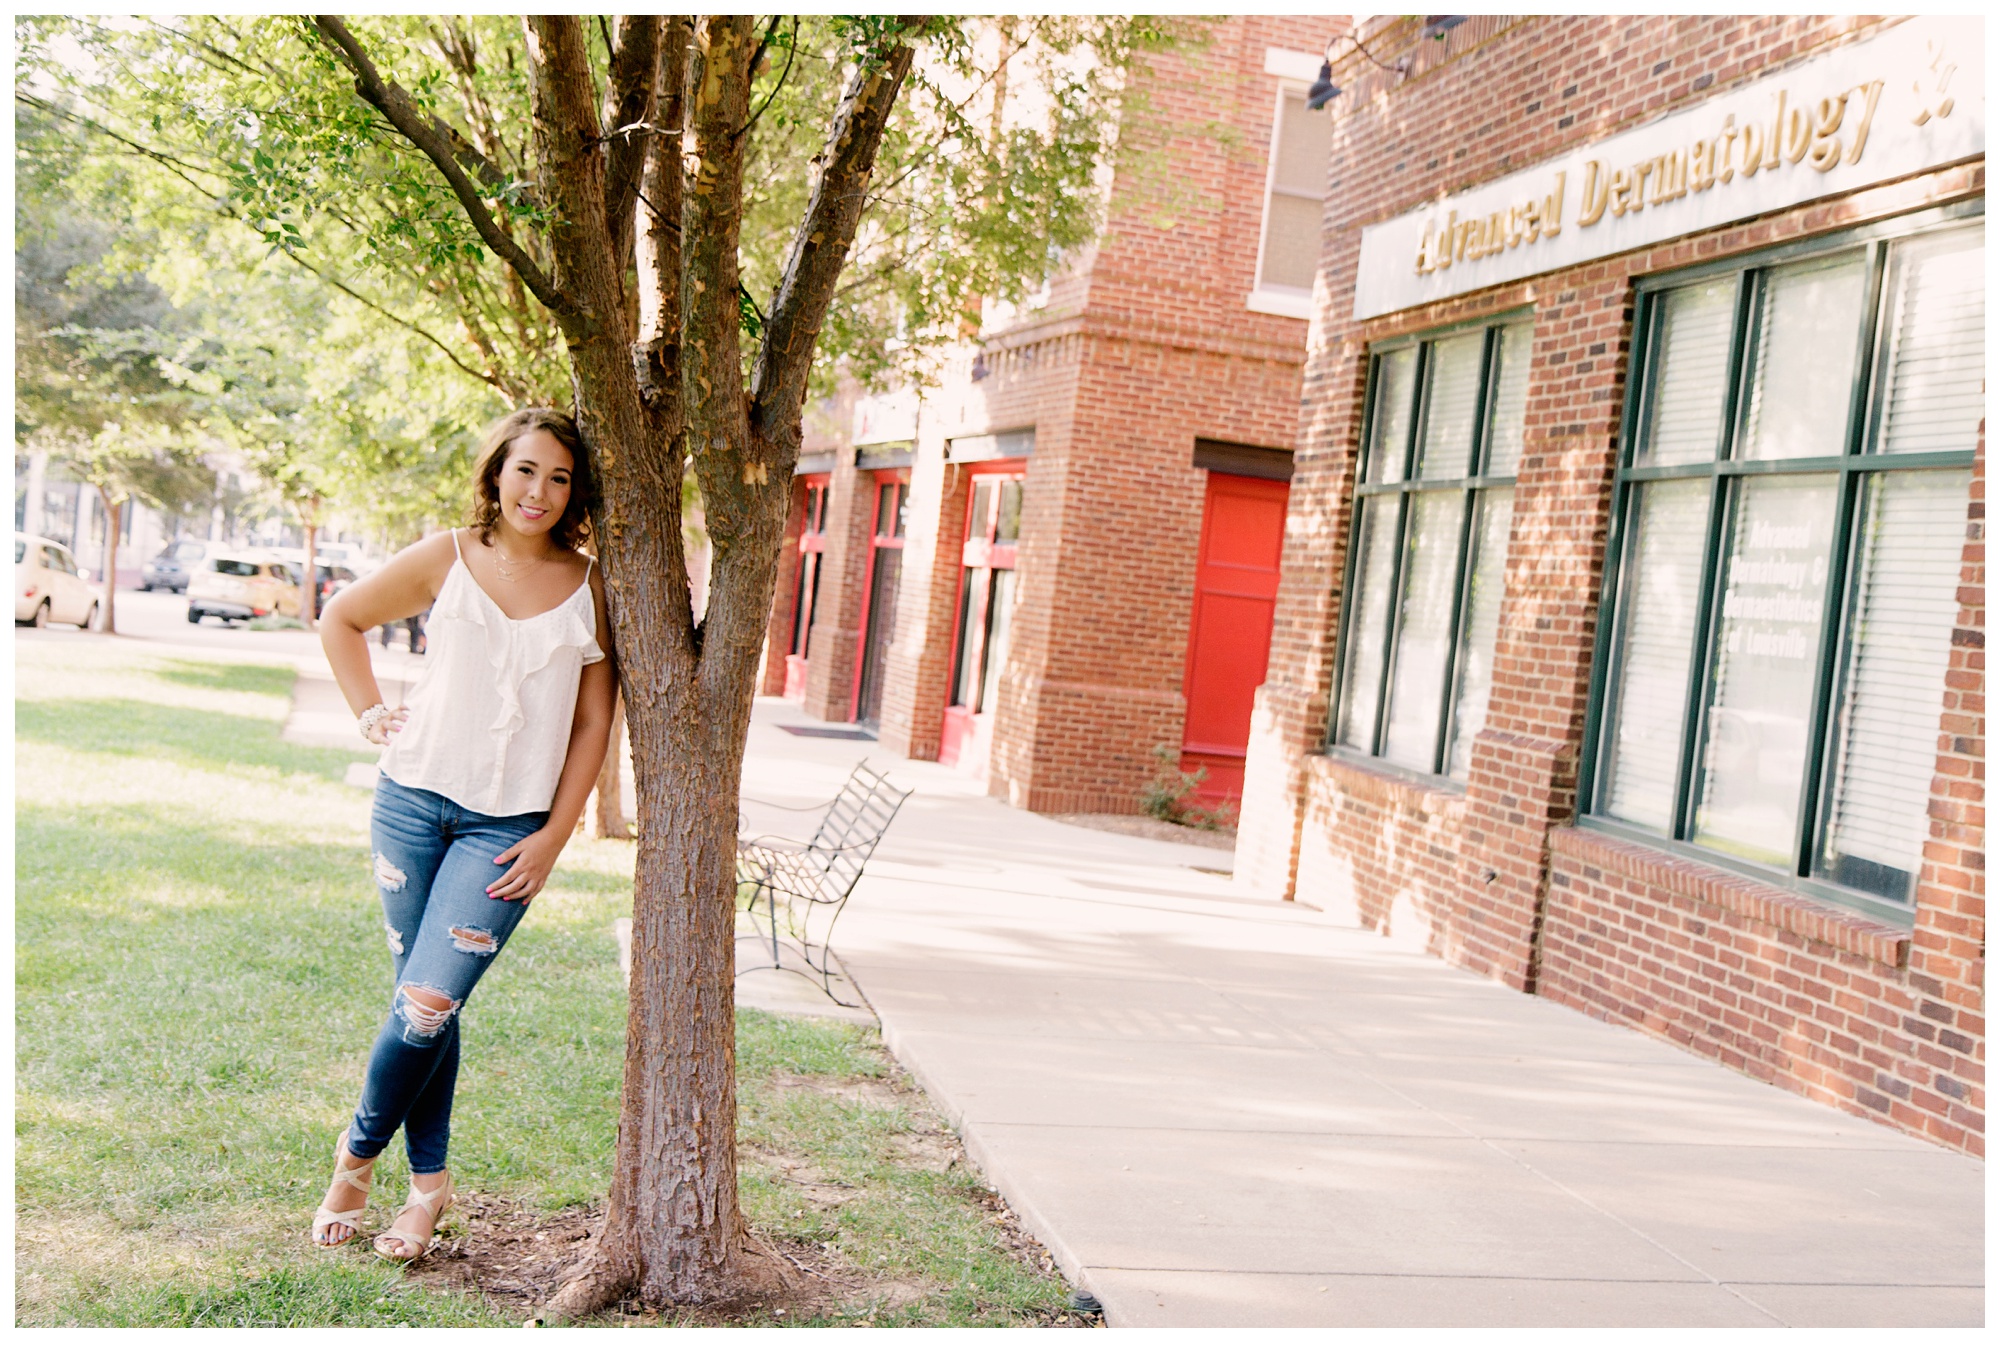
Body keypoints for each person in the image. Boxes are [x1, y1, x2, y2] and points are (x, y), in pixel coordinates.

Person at [310, 408, 616, 1260]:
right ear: (496, 473)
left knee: (428, 1003)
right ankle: (428, 1190)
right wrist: (371, 712)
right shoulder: (448, 556)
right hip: (409, 803)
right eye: (527, 471)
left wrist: (557, 834)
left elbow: (593, 724)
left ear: (575, 491)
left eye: (559, 478)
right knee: (424, 1009)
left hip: (508, 825)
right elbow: (341, 618)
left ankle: (355, 1161)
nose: (540, 492)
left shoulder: (593, 584)